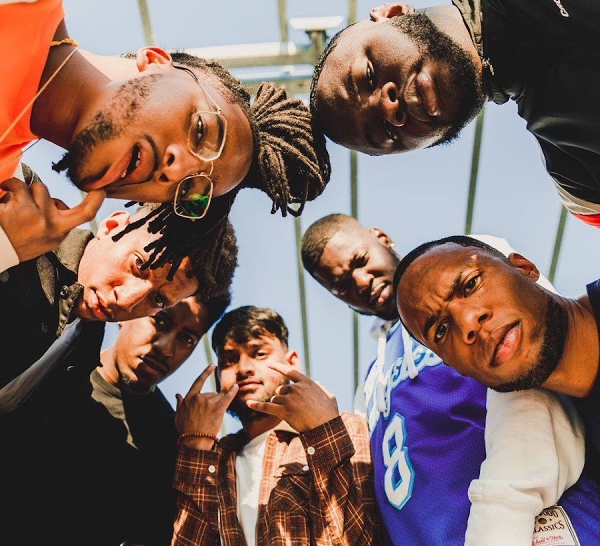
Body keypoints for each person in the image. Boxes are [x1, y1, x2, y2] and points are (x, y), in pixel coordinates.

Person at [0, 0, 330, 270]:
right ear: (156, 61)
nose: (175, 172)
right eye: (200, 130)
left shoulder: (7, 194)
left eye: (187, 193)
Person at [301, 213, 599, 545]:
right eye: (342, 286)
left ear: (382, 238)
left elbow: (533, 390)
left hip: (531, 526)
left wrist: (500, 526)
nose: (360, 281)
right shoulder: (369, 386)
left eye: (360, 260)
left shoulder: (463, 259)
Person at [310, 0, 600, 228]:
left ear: (393, 13)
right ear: (425, 145)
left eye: (368, 75)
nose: (389, 108)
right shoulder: (581, 179)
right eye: (384, 132)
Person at [0, 164, 238, 411]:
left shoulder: (82, 355)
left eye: (158, 300)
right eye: (139, 265)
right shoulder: (20, 197)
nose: (126, 300)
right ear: (112, 226)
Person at [1, 292, 230, 546]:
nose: (166, 348)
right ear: (131, 311)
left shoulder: (168, 440)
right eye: (161, 321)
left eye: (187, 338)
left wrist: (196, 445)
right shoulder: (51, 361)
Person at [171, 305, 384, 545]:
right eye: (230, 360)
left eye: (260, 353)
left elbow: (362, 539)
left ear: (291, 361)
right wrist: (195, 446)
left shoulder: (343, 427)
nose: (244, 368)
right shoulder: (214, 459)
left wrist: (323, 433)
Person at [394, 234, 600, 465]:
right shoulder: (583, 457)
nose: (468, 323)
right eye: (441, 330)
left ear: (525, 267)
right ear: (453, 365)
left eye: (470, 284)